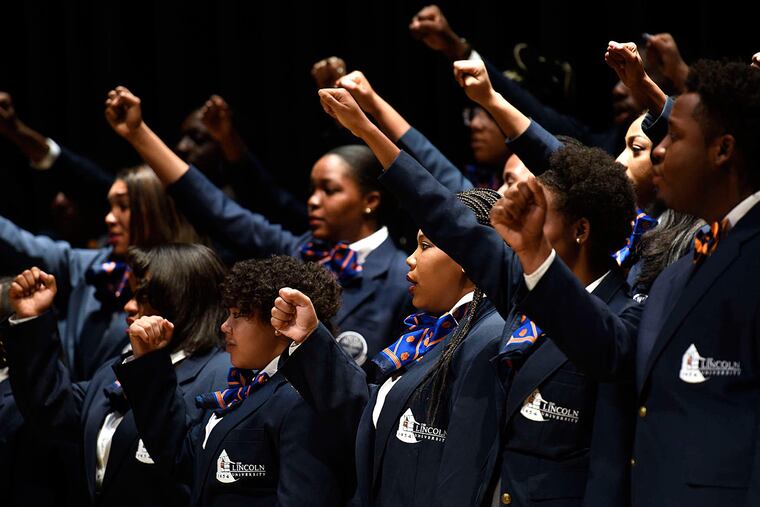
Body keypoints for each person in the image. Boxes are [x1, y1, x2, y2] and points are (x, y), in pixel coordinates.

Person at [319, 84, 640, 506]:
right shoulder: (525, 293)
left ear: (580, 230)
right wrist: (368, 132)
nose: (524, 222)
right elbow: (452, 220)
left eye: (539, 213)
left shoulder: (627, 319)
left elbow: (609, 466)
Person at [493, 59, 760, 506]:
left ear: (723, 149)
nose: (658, 151)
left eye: (673, 136)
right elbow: (613, 350)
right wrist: (536, 256)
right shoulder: (679, 269)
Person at [105, 86, 411, 366]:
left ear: (370, 200)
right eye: (312, 190)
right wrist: (138, 134)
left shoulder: (402, 276)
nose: (313, 201)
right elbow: (218, 210)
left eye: (329, 190)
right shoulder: (299, 251)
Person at [273, 188, 505, 506]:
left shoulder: (487, 337)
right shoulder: (435, 332)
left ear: (467, 256)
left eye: (426, 246)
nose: (411, 258)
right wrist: (311, 338)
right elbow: (375, 417)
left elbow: (462, 474)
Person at [4, 243, 231, 507]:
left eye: (142, 296)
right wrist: (32, 320)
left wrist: (150, 365)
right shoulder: (120, 365)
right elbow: (53, 408)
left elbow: (192, 470)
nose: (128, 306)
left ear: (178, 299)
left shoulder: (221, 376)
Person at [115, 256, 346, 506]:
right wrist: (149, 362)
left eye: (237, 315)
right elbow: (183, 458)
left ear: (281, 322)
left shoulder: (303, 401)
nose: (225, 327)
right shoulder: (247, 385)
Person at [0, 160, 198, 381]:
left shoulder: (182, 281)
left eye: (123, 207)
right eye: (110, 207)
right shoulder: (91, 264)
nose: (109, 218)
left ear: (156, 210)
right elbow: (20, 243)